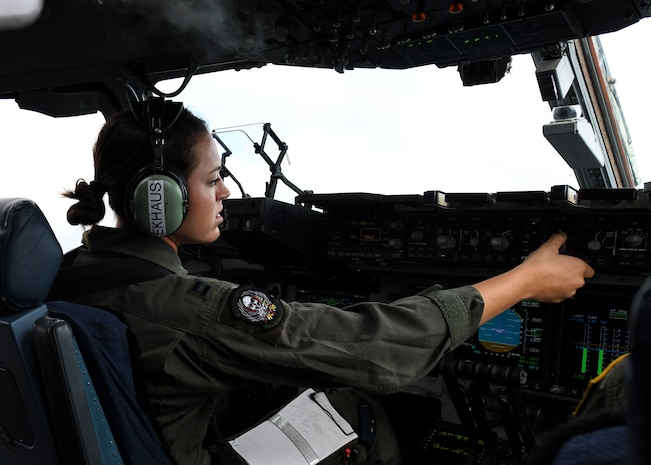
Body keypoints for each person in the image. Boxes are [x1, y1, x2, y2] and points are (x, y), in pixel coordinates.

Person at [53, 100, 595, 465]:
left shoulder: (75, 271)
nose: (223, 195)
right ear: (159, 198)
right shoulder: (184, 309)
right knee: (359, 411)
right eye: (213, 179)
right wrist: (524, 280)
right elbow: (374, 347)